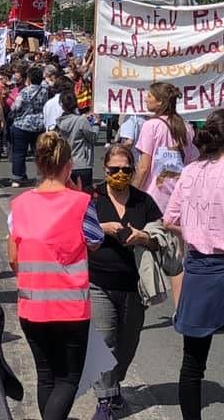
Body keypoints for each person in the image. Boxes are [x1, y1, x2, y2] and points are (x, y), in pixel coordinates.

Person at [163, 109, 224, 420]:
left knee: (193, 360)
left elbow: (170, 219)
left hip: (198, 268)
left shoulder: (190, 171)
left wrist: (194, 230)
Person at [8, 132, 104, 420]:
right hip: (71, 307)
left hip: (32, 304)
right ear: (69, 165)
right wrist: (80, 194)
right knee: (68, 378)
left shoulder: (20, 204)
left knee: (46, 375)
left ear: (37, 163)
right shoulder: (81, 202)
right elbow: (95, 240)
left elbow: (14, 256)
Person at [87, 144, 163, 418]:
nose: (120, 174)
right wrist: (101, 229)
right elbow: (74, 232)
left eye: (126, 169)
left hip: (134, 287)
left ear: (133, 170)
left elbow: (162, 238)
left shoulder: (144, 201)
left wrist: (145, 237)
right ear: (105, 169)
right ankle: (105, 401)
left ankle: (113, 384)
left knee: (127, 345)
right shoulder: (92, 198)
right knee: (104, 340)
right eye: (114, 169)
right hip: (99, 283)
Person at [133, 81, 198, 212]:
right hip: (179, 197)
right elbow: (192, 163)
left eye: (150, 96)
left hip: (153, 197)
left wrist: (132, 194)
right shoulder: (187, 127)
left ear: (160, 102)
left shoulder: (151, 126)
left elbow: (144, 167)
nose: (146, 99)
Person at [10, 66, 49, 187]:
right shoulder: (45, 91)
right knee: (39, 153)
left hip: (22, 124)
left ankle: (17, 178)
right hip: (39, 125)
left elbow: (16, 106)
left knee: (19, 152)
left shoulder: (24, 91)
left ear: (29, 78)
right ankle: (40, 176)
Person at [55, 89, 95, 191]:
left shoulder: (59, 122)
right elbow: (93, 138)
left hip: (66, 164)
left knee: (69, 196)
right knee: (85, 196)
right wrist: (96, 125)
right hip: (82, 162)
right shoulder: (81, 120)